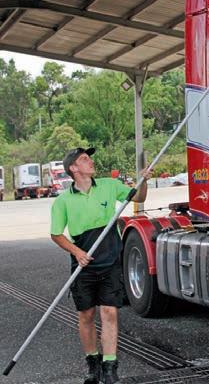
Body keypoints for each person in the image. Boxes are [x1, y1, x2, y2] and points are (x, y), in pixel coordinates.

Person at [50, 147, 152, 384]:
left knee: (109, 312)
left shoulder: (109, 185)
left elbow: (139, 197)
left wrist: (144, 181)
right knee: (86, 315)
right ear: (73, 168)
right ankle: (93, 364)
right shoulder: (63, 200)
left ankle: (110, 367)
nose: (91, 161)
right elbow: (56, 234)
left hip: (110, 260)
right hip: (83, 264)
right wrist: (77, 252)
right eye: (84, 159)